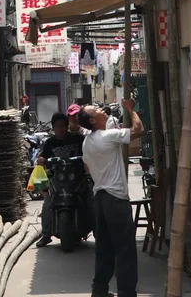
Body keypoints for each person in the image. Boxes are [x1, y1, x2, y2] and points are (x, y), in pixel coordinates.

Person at [79, 99, 144, 297]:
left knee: (104, 249)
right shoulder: (106, 137)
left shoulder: (87, 142)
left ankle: (99, 290)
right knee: (125, 250)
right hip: (116, 199)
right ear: (92, 120)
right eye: (96, 110)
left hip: (100, 198)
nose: (101, 110)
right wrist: (131, 109)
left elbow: (87, 167)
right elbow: (138, 130)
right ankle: (126, 292)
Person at [36, 112, 84, 248]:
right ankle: (46, 234)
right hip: (58, 179)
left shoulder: (78, 139)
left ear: (67, 126)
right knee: (47, 203)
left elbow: (88, 152)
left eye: (63, 126)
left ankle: (98, 231)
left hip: (77, 179)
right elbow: (42, 158)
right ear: (53, 127)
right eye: (57, 126)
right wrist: (41, 160)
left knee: (91, 198)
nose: (60, 129)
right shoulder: (50, 143)